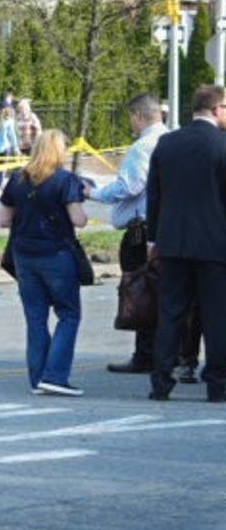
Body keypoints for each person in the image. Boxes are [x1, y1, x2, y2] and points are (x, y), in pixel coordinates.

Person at [93, 93, 195, 380]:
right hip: (170, 228)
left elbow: (130, 186)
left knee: (141, 291)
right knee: (171, 294)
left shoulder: (142, 147)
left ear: (139, 115)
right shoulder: (174, 141)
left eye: (131, 118)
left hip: (141, 231)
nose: (131, 124)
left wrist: (94, 193)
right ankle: (174, 353)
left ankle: (146, 353)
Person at [145, 81, 226, 403]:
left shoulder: (167, 144)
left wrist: (154, 238)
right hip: (216, 245)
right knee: (216, 315)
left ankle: (161, 381)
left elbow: (155, 194)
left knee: (172, 313)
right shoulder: (221, 145)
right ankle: (217, 383)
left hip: (174, 243)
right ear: (218, 109)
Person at [1, 129, 91, 396]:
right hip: (56, 254)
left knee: (36, 319)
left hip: (24, 256)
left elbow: (4, 220)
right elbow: (79, 220)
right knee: (68, 314)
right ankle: (55, 376)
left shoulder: (17, 179)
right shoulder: (66, 180)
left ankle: (38, 378)